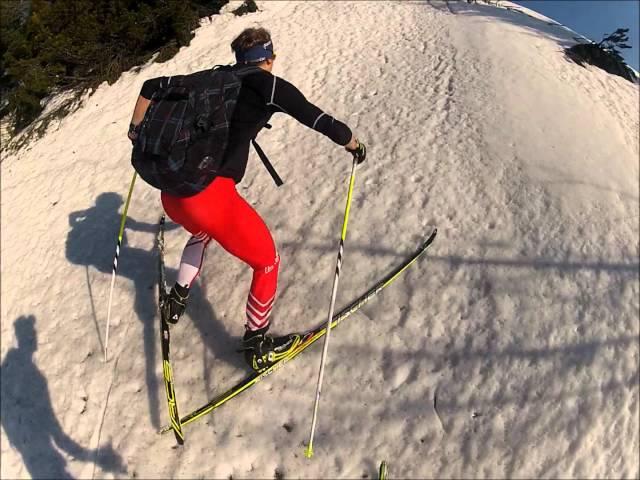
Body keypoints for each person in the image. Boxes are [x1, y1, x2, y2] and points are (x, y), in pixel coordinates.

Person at [127, 27, 366, 372]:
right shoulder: (268, 86)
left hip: (172, 194)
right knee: (266, 261)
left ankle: (176, 299)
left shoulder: (216, 76)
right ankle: (258, 344)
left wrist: (135, 131)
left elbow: (151, 87)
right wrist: (354, 145)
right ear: (268, 59)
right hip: (210, 197)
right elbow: (318, 119)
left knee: (201, 233)